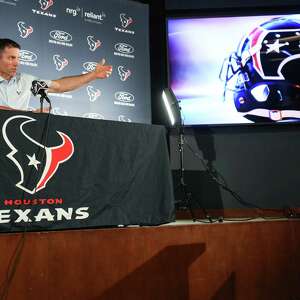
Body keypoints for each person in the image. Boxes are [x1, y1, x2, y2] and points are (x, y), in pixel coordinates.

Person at [0, 38, 113, 111]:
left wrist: (92, 75)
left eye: (18, 58)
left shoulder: (25, 80)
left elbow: (59, 86)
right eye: (11, 58)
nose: (17, 63)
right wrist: (30, 114)